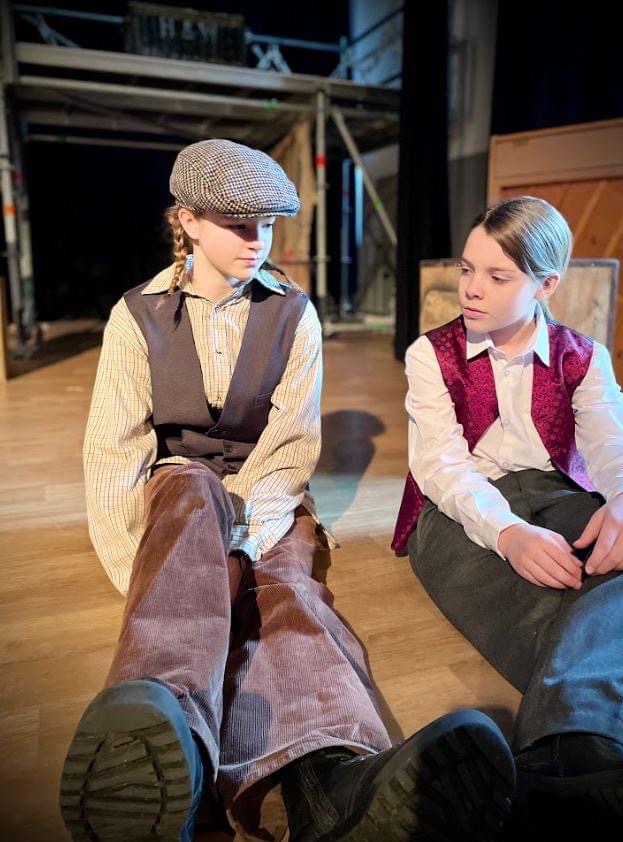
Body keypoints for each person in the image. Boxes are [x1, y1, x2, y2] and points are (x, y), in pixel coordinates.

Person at [59, 139, 516, 842]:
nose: (257, 240)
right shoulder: (136, 316)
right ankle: (169, 741)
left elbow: (290, 446)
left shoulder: (294, 314)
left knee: (292, 596)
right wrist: (152, 572)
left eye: (268, 225)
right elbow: (113, 453)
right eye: (238, 224)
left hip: (264, 500)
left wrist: (235, 552)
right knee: (189, 489)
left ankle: (332, 781)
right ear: (188, 221)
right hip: (177, 492)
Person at [392, 195, 623, 836]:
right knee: (535, 595)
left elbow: (614, 443)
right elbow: (443, 469)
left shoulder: (582, 356)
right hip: (454, 513)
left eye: (497, 276)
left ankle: (574, 754)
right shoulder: (429, 354)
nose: (471, 289)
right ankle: (598, 743)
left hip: (553, 492)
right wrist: (509, 533)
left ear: (546, 286)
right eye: (467, 270)